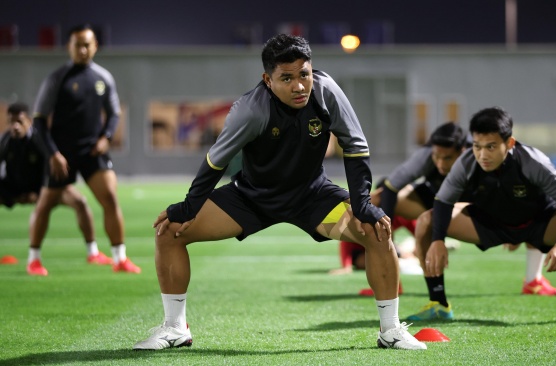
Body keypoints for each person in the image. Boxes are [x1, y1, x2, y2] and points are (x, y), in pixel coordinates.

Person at [133, 34, 426, 351]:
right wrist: (188, 208)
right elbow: (214, 163)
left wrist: (363, 204)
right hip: (252, 198)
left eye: (304, 74)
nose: (299, 86)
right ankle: (175, 329)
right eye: (287, 78)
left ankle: (391, 331)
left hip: (311, 197)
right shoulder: (250, 110)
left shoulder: (326, 91)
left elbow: (355, 147)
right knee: (170, 232)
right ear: (267, 80)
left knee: (378, 231)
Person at [409, 106, 556, 324]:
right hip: (488, 224)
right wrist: (437, 240)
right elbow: (443, 202)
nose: (482, 155)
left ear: (509, 143)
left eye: (491, 147)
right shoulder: (466, 163)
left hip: (538, 224)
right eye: (477, 146)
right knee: (427, 221)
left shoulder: (533, 161)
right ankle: (438, 304)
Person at [332, 122, 556, 298]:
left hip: (475, 208)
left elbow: (518, 194)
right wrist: (386, 234)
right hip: (434, 200)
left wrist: (513, 225)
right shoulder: (426, 156)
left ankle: (533, 281)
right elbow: (391, 188)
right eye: (436, 156)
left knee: (535, 211)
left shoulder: (483, 160)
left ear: (463, 151)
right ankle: (391, 282)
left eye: (447, 158)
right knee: (378, 199)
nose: (440, 164)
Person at [31, 24, 140, 275]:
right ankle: (34, 259)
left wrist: (107, 138)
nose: (82, 49)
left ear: (95, 46)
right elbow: (38, 121)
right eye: (77, 44)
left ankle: (120, 259)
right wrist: (53, 155)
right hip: (62, 154)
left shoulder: (103, 77)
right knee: (45, 204)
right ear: (69, 47)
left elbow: (114, 113)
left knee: (111, 199)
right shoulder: (57, 78)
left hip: (93, 152)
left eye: (87, 44)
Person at [1, 102, 112, 275]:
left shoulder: (40, 141)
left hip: (43, 188)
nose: (15, 126)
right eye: (11, 122)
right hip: (14, 188)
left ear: (29, 121)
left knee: (80, 203)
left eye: (19, 121)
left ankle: (93, 253)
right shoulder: (5, 141)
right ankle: (34, 260)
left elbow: (53, 165)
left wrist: (40, 192)